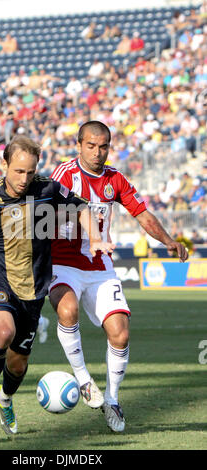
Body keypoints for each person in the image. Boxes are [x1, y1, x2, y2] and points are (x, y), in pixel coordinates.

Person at [0, 134, 114, 436]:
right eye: (18, 171)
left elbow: (82, 207)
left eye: (29, 172)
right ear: (6, 164)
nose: (23, 179)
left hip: (35, 288)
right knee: (3, 332)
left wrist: (95, 237)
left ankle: (5, 398)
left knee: (17, 364)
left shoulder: (47, 189)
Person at [49, 121, 188, 432]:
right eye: (91, 146)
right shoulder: (64, 174)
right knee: (67, 310)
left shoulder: (115, 179)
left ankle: (111, 399)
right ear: (78, 144)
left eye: (103, 147)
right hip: (63, 262)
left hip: (100, 266)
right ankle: (83, 379)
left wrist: (168, 240)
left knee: (121, 333)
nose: (98, 153)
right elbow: (45, 208)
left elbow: (142, 213)